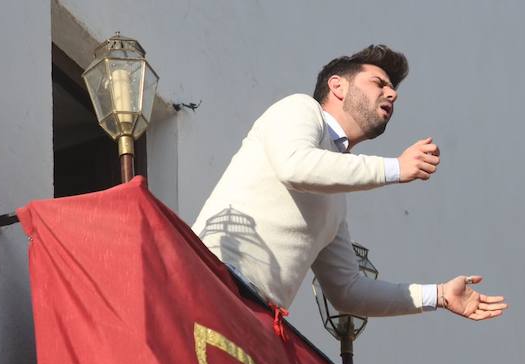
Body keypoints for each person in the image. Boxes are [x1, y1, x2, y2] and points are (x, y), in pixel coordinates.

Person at [192, 44, 507, 322]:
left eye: (392, 88)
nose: (392, 93)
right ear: (337, 86)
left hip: (253, 316)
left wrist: (437, 295)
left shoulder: (336, 195)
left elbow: (347, 290)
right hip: (210, 282)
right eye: (378, 83)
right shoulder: (300, 108)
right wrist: (396, 167)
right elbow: (295, 166)